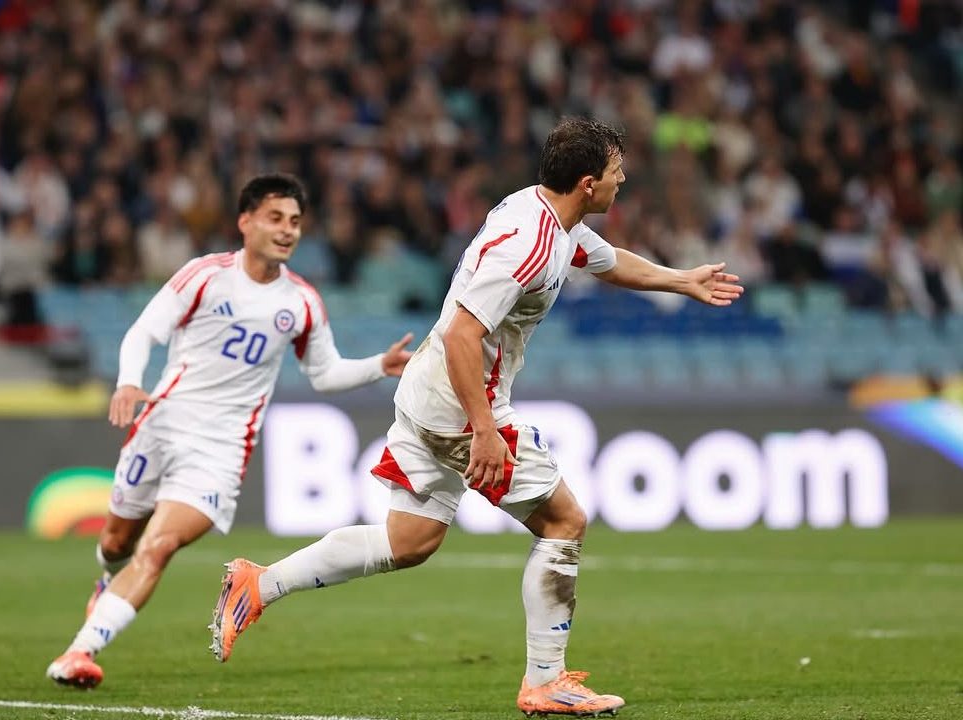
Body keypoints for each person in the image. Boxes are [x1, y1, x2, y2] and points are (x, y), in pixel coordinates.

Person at [209, 119, 745, 716]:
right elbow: (466, 334)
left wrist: (681, 280)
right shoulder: (530, 245)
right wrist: (485, 430)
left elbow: (604, 259)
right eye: (618, 173)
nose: (623, 181)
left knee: (408, 541)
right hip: (463, 407)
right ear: (589, 183)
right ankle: (546, 680)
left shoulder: (546, 215)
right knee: (565, 522)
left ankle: (260, 583)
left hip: (428, 394)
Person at [46, 174, 413, 689]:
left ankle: (80, 652)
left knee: (159, 546)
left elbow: (324, 373)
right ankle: (106, 582)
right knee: (115, 541)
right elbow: (143, 332)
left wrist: (380, 364)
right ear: (245, 221)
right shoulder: (204, 276)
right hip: (161, 426)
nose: (287, 231)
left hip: (219, 451)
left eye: (295, 222)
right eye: (275, 218)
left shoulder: (302, 302)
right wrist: (129, 382)